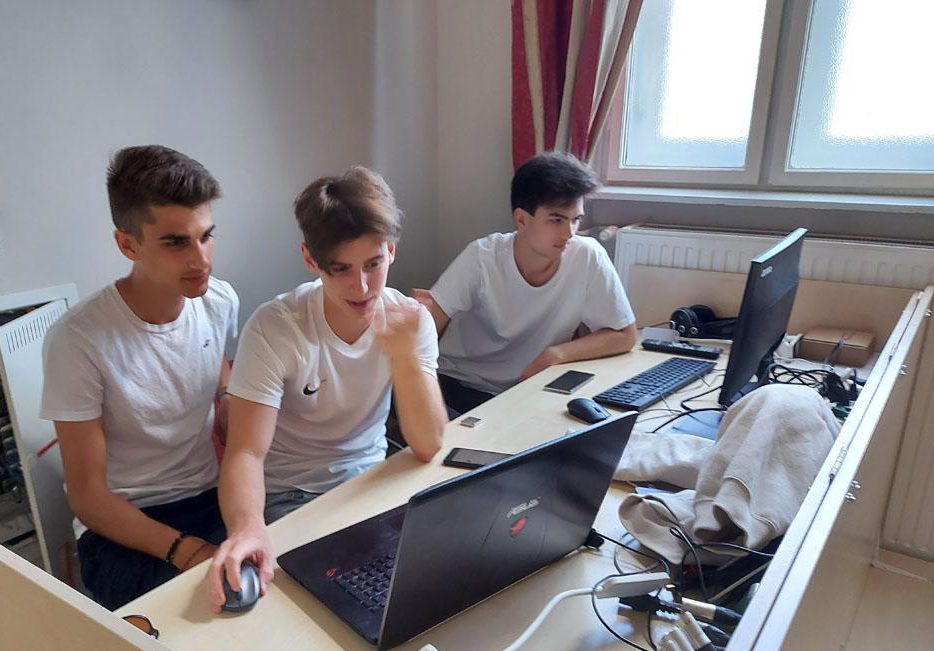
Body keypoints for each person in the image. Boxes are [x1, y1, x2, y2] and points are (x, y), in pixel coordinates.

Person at [206, 166, 446, 611]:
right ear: (310, 260)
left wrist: (405, 358)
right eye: (341, 270)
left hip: (372, 480)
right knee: (319, 606)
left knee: (432, 580)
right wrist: (247, 527)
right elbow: (245, 452)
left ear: (391, 251)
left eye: (373, 264)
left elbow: (429, 444)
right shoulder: (275, 327)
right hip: (291, 495)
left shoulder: (410, 320)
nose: (362, 287)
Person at [40, 145, 238, 610]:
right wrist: (185, 550)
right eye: (176, 243)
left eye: (206, 236)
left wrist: (232, 398)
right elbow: (88, 497)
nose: (201, 259)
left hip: (209, 498)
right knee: (202, 616)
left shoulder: (220, 301)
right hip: (122, 526)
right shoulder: (78, 340)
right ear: (128, 245)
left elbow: (216, 369)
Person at [413, 151, 637, 415]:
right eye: (556, 220)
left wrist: (557, 354)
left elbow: (625, 335)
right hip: (462, 384)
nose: (569, 233)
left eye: (575, 220)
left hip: (531, 388)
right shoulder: (481, 258)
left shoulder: (588, 256)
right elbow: (425, 331)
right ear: (521, 219)